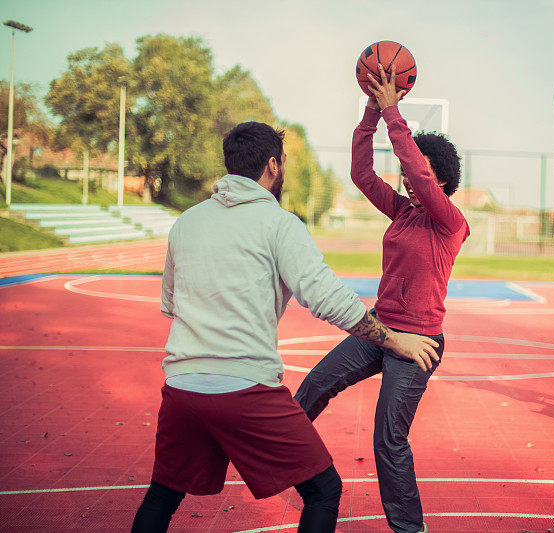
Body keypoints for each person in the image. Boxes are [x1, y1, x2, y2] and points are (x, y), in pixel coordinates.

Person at [131, 121, 440, 533]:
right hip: (243, 386)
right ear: (273, 166)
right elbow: (330, 299)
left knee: (163, 494)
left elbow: (171, 302)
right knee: (324, 491)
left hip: (182, 386)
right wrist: (393, 340)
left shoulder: (187, 222)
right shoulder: (279, 224)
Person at [295, 64, 469, 533]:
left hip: (420, 343)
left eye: (424, 174)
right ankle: (297, 477)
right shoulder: (402, 211)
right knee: (308, 393)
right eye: (411, 174)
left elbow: (416, 168)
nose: (412, 180)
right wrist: (370, 115)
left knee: (388, 439)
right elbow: (362, 173)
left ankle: (409, 529)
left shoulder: (449, 222)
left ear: (442, 179)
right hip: (380, 330)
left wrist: (394, 113)